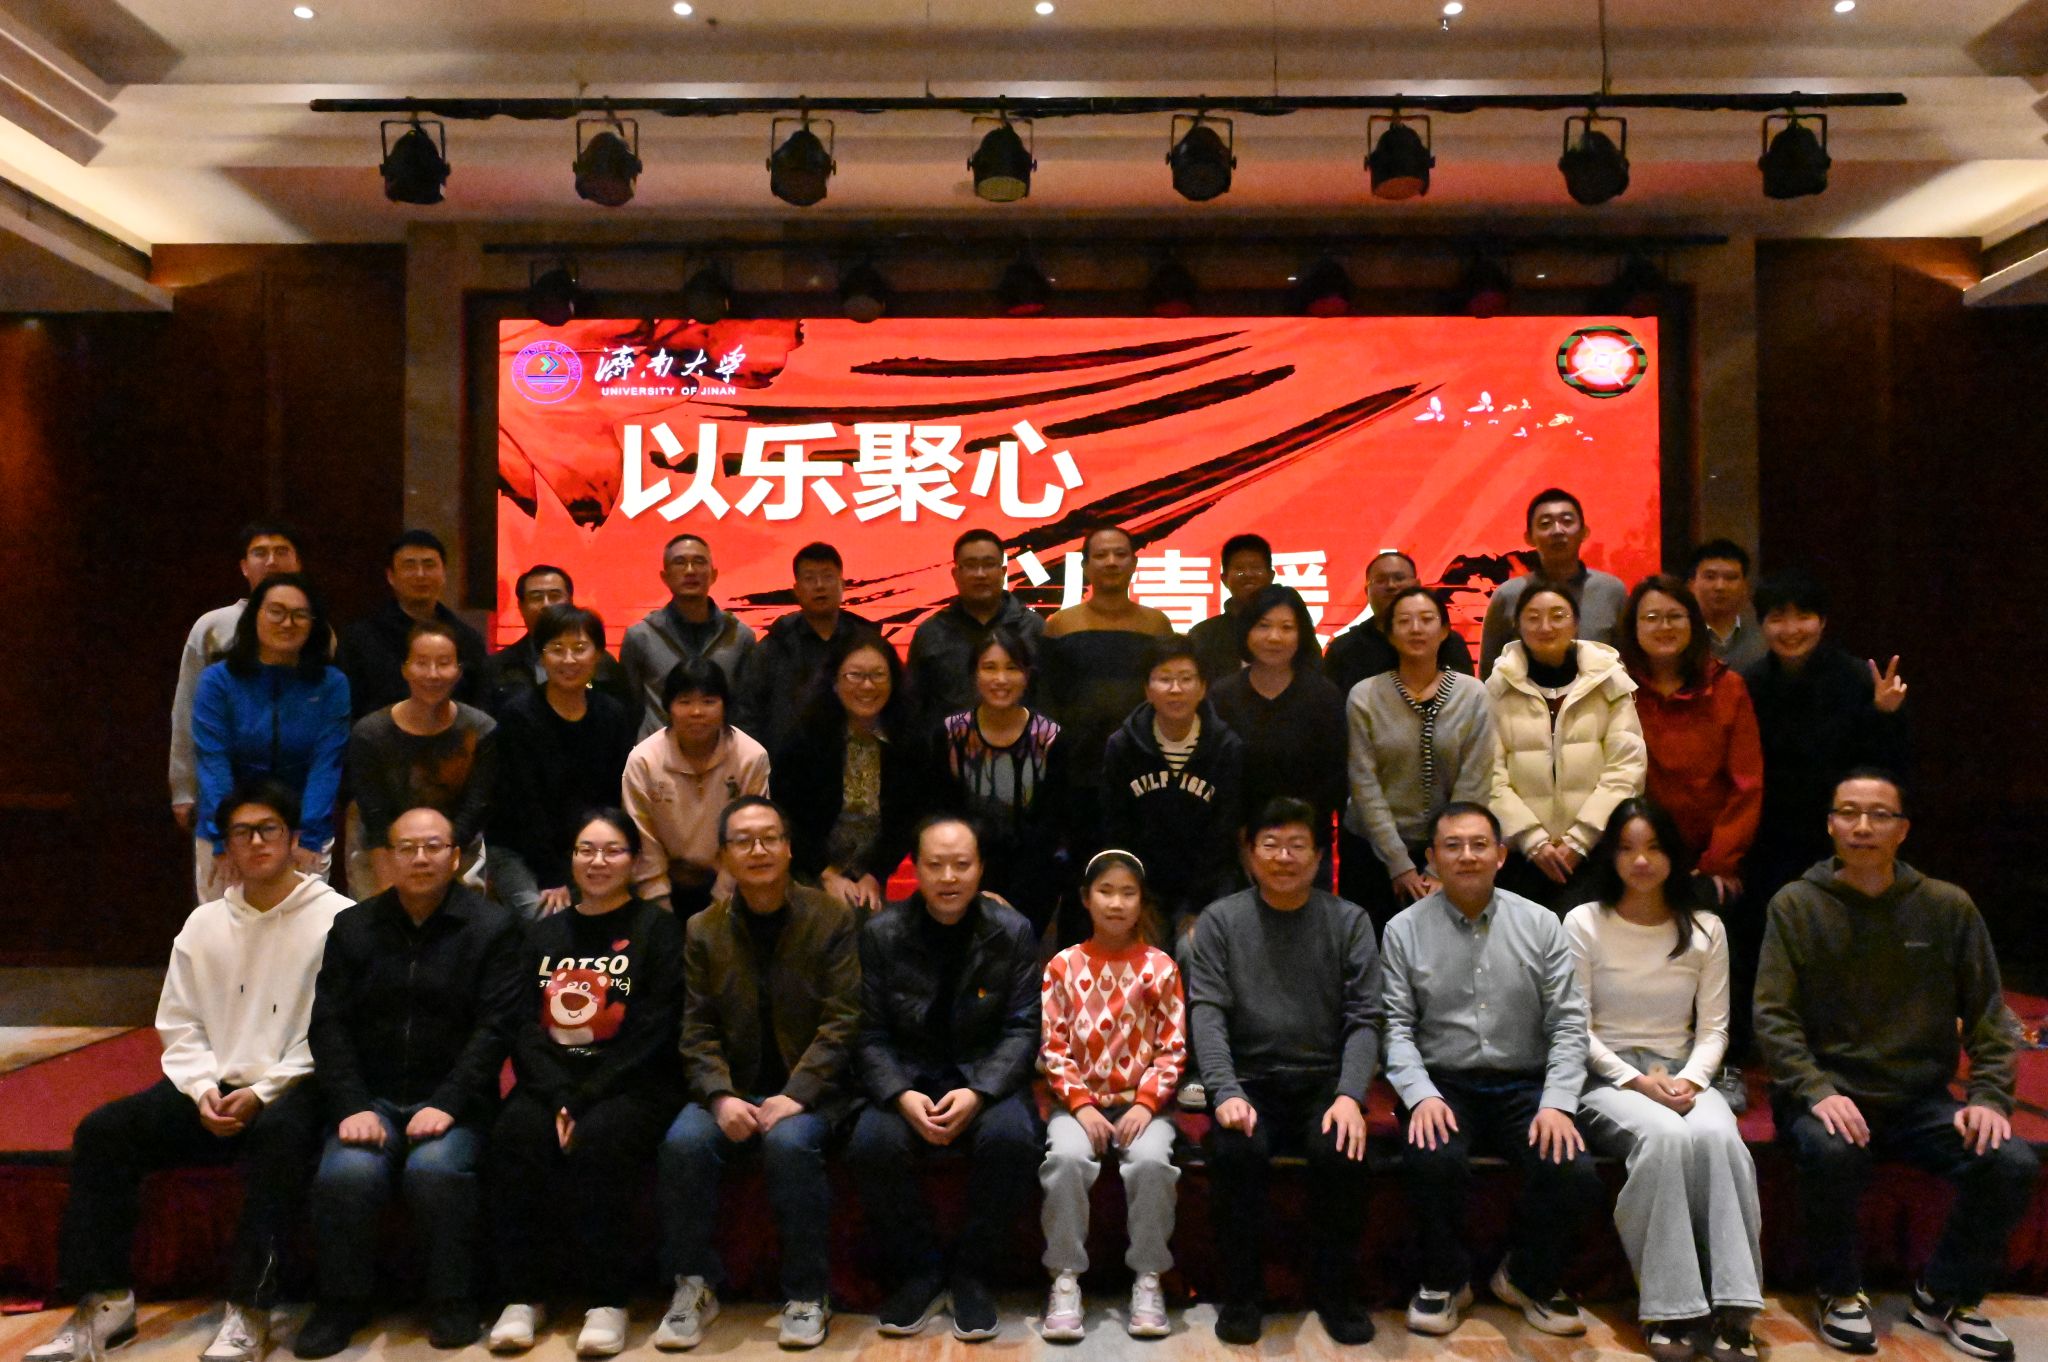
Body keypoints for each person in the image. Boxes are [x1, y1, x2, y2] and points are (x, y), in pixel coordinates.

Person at [25, 781, 345, 1362]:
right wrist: (200, 1090)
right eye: (242, 833)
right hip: (212, 1088)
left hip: (295, 1086)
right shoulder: (203, 924)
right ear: (226, 848)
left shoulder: (337, 920)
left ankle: (250, 1307)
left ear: (294, 839)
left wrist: (263, 1091)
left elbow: (334, 1031)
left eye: (269, 829)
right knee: (104, 1132)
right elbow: (179, 1022)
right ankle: (105, 1301)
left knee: (281, 1139)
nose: (257, 842)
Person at [1756, 770, 2035, 1359]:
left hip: (1919, 1101)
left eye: (1879, 815)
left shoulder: (1946, 907)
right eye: (1848, 813)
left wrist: (1989, 1098)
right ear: (1830, 825)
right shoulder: (1796, 905)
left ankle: (1945, 1296)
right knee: (1832, 1149)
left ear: (1902, 830)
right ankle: (1838, 1291)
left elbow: (1989, 1018)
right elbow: (1773, 1019)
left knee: (2009, 1161)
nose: (1863, 826)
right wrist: (1817, 1090)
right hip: (1826, 1096)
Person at [297, 807, 526, 1359]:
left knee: (436, 1170)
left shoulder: (491, 928)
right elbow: (328, 1024)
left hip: (457, 1101)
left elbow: (496, 1028)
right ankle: (341, 1303)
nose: (420, 858)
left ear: (456, 856)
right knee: (347, 1174)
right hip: (370, 1098)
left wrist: (448, 1102)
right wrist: (351, 1104)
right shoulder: (353, 927)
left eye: (433, 847)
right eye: (407, 848)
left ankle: (452, 1299)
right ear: (386, 859)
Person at [1381, 802, 1600, 1339]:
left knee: (1573, 1171)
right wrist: (1420, 1095)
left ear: (1501, 855)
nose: (1467, 856)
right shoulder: (1402, 930)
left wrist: (1558, 1103)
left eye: (1479, 844)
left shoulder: (1541, 923)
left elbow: (1569, 1024)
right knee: (1432, 1157)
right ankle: (1445, 1278)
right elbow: (1395, 1028)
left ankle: (1526, 1277)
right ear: (1432, 858)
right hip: (1442, 1083)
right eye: (1452, 846)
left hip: (1524, 1084)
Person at [656, 797, 860, 1353]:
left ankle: (807, 1294)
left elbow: (843, 1020)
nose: (758, 849)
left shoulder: (831, 917)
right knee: (683, 1143)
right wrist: (720, 1096)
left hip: (813, 1090)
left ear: (789, 849)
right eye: (743, 841)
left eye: (770, 837)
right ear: (723, 856)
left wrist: (797, 1094)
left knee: (789, 1144)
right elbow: (696, 1028)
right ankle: (694, 1285)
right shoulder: (703, 929)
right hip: (734, 1086)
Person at [1565, 799, 1762, 1362]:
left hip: (1683, 1072)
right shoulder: (1583, 922)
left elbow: (1715, 1028)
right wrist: (1636, 1081)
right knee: (1666, 1137)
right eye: (1627, 848)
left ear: (1673, 855)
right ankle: (1670, 1307)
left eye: (1653, 847)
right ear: (1610, 855)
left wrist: (1692, 1082)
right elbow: (1575, 1028)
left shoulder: (1705, 928)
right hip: (1607, 1077)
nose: (1641, 860)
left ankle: (1735, 1306)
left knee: (1720, 1136)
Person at [486, 811, 685, 1357]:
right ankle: (524, 1296)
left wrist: (584, 1096)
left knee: (602, 1140)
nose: (597, 862)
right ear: (571, 860)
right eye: (585, 850)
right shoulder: (543, 933)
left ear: (635, 862)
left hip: (631, 1083)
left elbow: (655, 1030)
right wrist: (558, 1094)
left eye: (612, 850)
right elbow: (524, 1026)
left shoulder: (658, 930)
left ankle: (607, 1300)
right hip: (553, 1084)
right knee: (515, 1133)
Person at [1184, 798, 1381, 1346]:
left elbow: (1366, 1018)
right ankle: (1241, 1296)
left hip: (1325, 1080)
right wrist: (1224, 1089)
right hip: (1249, 1081)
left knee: (1342, 1149)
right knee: (1235, 1150)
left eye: (1297, 845)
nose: (1284, 857)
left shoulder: (1349, 921)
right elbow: (1207, 1012)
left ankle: (1337, 1293)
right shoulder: (1221, 921)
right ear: (1250, 854)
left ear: (1320, 856)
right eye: (1270, 845)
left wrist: (1350, 1095)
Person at [845, 817, 1042, 1342]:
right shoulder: (881, 933)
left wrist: (979, 1091)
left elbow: (1023, 1028)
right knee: (871, 1143)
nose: (949, 877)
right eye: (935, 865)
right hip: (907, 1073)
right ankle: (923, 1271)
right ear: (915, 868)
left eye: (962, 864)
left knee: (1013, 1138)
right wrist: (899, 1093)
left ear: (980, 868)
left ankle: (972, 1273)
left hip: (983, 1072)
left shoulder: (1012, 931)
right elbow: (868, 1032)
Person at [1037, 850, 1186, 1343]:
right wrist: (1081, 1105)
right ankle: (1064, 1279)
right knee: (1065, 1160)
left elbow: (1172, 1048)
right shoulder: (1062, 966)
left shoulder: (1160, 967)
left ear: (1141, 901)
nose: (1116, 903)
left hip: (1142, 1107)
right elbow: (1053, 1047)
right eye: (1105, 892)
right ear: (1086, 899)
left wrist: (1145, 1103)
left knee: (1151, 1163)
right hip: (1077, 1106)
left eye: (1127, 893)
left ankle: (1148, 1278)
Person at [1740, 571, 1908, 904]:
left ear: (1823, 621)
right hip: (1771, 836)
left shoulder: (1859, 679)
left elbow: (1889, 765)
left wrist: (1885, 714)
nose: (1791, 630)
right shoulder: (1749, 684)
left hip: (1844, 831)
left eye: (1803, 616)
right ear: (1762, 625)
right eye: (1778, 618)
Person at [1342, 585, 1496, 930]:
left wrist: (1439, 863)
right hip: (1373, 852)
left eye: (1427, 619)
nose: (1416, 629)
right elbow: (1364, 784)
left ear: (1444, 630)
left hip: (1453, 851)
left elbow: (1475, 781)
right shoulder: (1365, 696)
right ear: (1389, 633)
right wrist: (1399, 863)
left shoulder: (1473, 695)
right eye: (1404, 621)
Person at [1486, 579, 1646, 910]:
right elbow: (1488, 775)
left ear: (1576, 623)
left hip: (1597, 851)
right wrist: (1532, 840)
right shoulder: (1497, 689)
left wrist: (1580, 840)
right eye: (1533, 618)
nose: (1546, 626)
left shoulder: (1609, 682)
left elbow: (1626, 769)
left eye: (1558, 615)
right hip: (1520, 857)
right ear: (1518, 626)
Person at [192, 573, 350, 901]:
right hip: (226, 830)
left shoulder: (331, 684)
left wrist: (308, 836)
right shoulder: (218, 681)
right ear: (255, 616)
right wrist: (226, 837)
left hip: (303, 831)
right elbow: (213, 762)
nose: (287, 623)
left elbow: (327, 762)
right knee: (225, 926)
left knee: (303, 926)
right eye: (276, 611)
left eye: (299, 614)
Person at [1039, 525, 1175, 883]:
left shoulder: (1157, 625)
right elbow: (1048, 702)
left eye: (1120, 554)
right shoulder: (1060, 625)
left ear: (1134, 563)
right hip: (1078, 774)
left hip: (1144, 768)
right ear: (1085, 567)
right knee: (1081, 874)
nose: (1111, 562)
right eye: (1100, 555)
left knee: (1143, 872)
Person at [1617, 576, 1763, 908]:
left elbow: (1746, 785)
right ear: (1634, 627)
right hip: (1632, 853)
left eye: (1675, 617)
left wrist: (1718, 861)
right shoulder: (1616, 689)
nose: (1664, 627)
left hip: (1708, 858)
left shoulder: (1728, 687)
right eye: (1651, 618)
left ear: (1694, 624)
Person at [487, 605, 636, 920]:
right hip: (521, 850)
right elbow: (524, 805)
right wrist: (551, 876)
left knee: (616, 915)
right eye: (557, 649)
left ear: (598, 655)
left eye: (580, 648)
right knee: (548, 921)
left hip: (588, 849)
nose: (569, 660)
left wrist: (597, 856)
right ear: (541, 657)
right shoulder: (518, 716)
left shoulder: (612, 714)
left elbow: (613, 798)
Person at [926, 626, 1068, 933]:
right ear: (974, 674)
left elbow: (1049, 828)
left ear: (1026, 676)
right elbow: (942, 815)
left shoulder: (1049, 737)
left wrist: (1010, 902)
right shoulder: (951, 734)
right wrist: (975, 889)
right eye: (989, 668)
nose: (1000, 679)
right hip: (961, 874)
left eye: (1011, 668)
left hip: (1032, 879)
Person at [170, 521, 307, 838]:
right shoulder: (213, 627)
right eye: (260, 553)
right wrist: (183, 788)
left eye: (281, 552)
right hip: (221, 786)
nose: (271, 561)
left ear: (297, 563)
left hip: (295, 794)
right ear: (244, 566)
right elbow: (186, 707)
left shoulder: (315, 629)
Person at [345, 620, 498, 901]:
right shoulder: (370, 733)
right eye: (422, 663)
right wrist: (391, 894)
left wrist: (438, 866)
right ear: (405, 668)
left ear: (458, 671)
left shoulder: (481, 730)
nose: (433, 673)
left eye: (444, 663)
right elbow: (375, 817)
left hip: (457, 847)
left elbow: (475, 809)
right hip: (382, 848)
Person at [1101, 634, 1244, 933]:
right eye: (1164, 679)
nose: (1175, 689)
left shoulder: (1225, 747)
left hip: (1207, 892)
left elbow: (1223, 835)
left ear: (1202, 687)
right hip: (1140, 891)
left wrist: (1197, 906)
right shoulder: (1123, 746)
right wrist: (1137, 898)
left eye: (1186, 679)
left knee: (1194, 949)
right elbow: (1116, 828)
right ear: (1147, 689)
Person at [775, 630, 924, 915]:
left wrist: (875, 875)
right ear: (834, 682)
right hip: (807, 870)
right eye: (855, 675)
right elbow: (785, 813)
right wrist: (825, 873)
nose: (867, 685)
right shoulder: (805, 737)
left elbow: (907, 819)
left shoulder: (907, 740)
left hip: (870, 875)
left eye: (878, 675)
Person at [622, 657, 773, 919]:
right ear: (668, 707)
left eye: (708, 701)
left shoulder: (750, 757)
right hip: (665, 881)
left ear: (725, 705)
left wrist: (720, 904)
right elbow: (643, 838)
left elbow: (751, 833)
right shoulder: (644, 760)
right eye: (684, 702)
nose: (696, 712)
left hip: (733, 881)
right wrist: (659, 905)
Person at [1208, 584, 1347, 858]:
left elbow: (1335, 775)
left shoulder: (1323, 696)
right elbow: (1216, 776)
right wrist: (1242, 836)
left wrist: (1299, 834)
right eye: (1263, 626)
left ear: (1301, 634)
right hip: (1237, 842)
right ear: (1247, 630)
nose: (1274, 637)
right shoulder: (1222, 696)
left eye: (1286, 627)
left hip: (1305, 843)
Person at [735, 542, 875, 755]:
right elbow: (746, 712)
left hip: (855, 765)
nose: (820, 586)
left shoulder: (867, 643)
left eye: (828, 577)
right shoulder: (774, 646)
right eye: (810, 578)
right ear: (797, 590)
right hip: (786, 767)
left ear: (843, 585)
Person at [335, 529, 488, 721]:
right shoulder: (360, 639)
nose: (420, 574)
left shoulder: (467, 639)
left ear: (444, 574)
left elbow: (479, 708)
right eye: (409, 565)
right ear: (391, 576)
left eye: (429, 565)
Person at [906, 528, 1047, 731]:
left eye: (989, 564)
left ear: (1003, 572)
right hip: (947, 746)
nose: (980, 574)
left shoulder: (1033, 627)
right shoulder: (931, 632)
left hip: (1022, 746)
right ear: (955, 574)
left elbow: (1048, 701)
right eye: (971, 565)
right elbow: (914, 706)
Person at [1479, 489, 1629, 675]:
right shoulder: (1508, 595)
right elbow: (1489, 672)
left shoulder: (1612, 591)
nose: (1557, 530)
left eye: (1567, 521)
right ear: (1529, 537)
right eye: (1545, 524)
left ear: (1584, 532)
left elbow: (1629, 663)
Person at [620, 535, 757, 740]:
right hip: (657, 754)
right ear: (664, 576)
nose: (690, 570)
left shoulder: (740, 636)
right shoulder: (640, 636)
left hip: (723, 752)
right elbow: (630, 707)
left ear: (714, 574)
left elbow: (746, 707)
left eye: (699, 562)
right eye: (680, 562)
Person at [1322, 551, 1474, 697]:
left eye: (1399, 578)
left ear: (1417, 585)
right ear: (1367, 590)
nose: (1391, 586)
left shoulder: (1447, 642)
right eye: (1380, 580)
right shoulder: (1343, 649)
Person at [484, 564, 630, 716]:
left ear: (570, 601)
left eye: (554, 596)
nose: (546, 604)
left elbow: (624, 713)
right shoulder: (497, 666)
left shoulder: (602, 662)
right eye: (536, 597)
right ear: (521, 607)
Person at [1185, 533, 1275, 682]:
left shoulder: (1290, 631)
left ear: (1271, 576)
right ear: (1224, 579)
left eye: (1256, 568)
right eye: (1239, 569)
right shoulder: (1202, 635)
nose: (1248, 574)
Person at [1685, 540, 1767, 673]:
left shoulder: (1763, 638)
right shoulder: (1678, 636)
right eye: (1710, 577)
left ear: (1745, 587)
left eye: (1731, 578)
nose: (1720, 586)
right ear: (1691, 585)